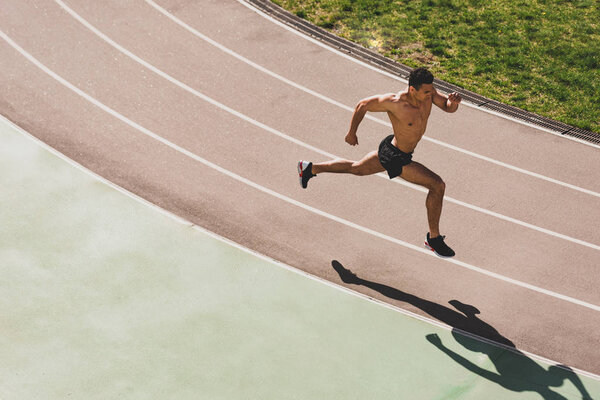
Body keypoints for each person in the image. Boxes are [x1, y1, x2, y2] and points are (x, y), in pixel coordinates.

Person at [297, 67, 461, 257]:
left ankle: (310, 168)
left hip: (393, 148)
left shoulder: (429, 93)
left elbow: (448, 108)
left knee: (357, 168)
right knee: (437, 185)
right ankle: (433, 239)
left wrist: (454, 102)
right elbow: (363, 105)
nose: (429, 95)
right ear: (412, 89)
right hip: (395, 157)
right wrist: (352, 132)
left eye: (431, 90)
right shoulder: (395, 103)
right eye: (425, 92)